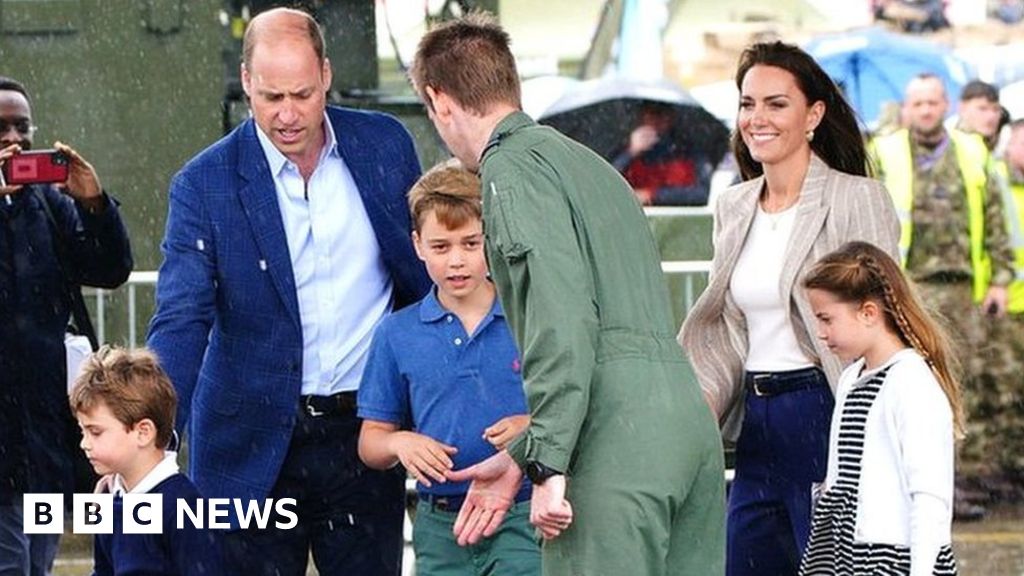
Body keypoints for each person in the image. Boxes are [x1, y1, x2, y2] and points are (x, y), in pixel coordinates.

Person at [410, 12, 726, 576]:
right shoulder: (593, 166)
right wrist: (520, 458)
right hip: (683, 423)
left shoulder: (507, 167)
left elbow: (563, 319)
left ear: (440, 101)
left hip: (611, 439)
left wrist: (547, 466)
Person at [146, 7, 431, 575]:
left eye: (301, 94)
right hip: (245, 448)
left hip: (363, 437)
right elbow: (181, 318)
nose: (288, 115)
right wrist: (150, 434)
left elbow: (423, 279)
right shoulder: (204, 184)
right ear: (247, 81)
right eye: (271, 97)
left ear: (326, 74)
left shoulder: (385, 147)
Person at [679, 41, 901, 576]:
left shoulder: (857, 198)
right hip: (757, 422)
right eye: (747, 103)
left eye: (776, 104)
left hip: (827, 409)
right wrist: (698, 405)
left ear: (814, 115)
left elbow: (886, 321)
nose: (757, 118)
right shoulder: (733, 206)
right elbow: (732, 331)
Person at [357, 163, 540, 576]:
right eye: (441, 247)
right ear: (418, 245)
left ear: (490, 239)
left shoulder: (531, 318)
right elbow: (371, 442)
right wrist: (400, 443)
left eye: (470, 243)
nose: (457, 261)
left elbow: (577, 405)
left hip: (523, 510)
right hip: (439, 523)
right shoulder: (395, 333)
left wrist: (531, 423)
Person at [0, 76, 133, 576]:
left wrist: (94, 202)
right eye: (0, 127)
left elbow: (110, 268)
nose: (13, 139)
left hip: (42, 435)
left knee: (37, 564)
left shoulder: (47, 207)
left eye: (21, 126)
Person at [869, 73, 1015, 519]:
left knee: (960, 387)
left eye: (934, 103)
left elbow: (995, 217)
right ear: (907, 107)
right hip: (907, 289)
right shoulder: (886, 152)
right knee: (909, 389)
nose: (927, 111)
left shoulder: (972, 151)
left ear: (945, 105)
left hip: (960, 289)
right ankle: (912, 483)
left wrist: (1000, 279)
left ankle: (956, 483)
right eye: (919, 103)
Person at [799, 241, 960, 576]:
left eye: (826, 319)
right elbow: (839, 482)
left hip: (895, 560)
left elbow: (930, 497)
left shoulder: (911, 381)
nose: (820, 333)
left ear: (869, 313)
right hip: (847, 557)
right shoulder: (850, 379)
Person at [70, 346, 225, 575]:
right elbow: (103, 569)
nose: (84, 443)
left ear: (143, 432)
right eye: (83, 431)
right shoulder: (107, 500)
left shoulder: (184, 507)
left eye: (96, 432)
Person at [611, 102, 712, 206]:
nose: (656, 120)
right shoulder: (625, 152)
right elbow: (607, 184)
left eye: (661, 114)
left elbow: (701, 194)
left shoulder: (689, 152)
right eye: (651, 114)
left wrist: (653, 195)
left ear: (671, 117)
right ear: (641, 117)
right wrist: (630, 152)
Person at [957, 80, 1003, 152]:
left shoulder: (998, 154)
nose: (991, 116)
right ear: (962, 108)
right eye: (982, 109)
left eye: (996, 109)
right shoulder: (946, 148)